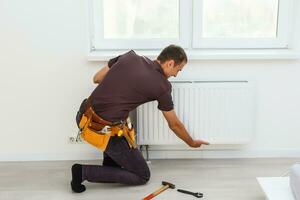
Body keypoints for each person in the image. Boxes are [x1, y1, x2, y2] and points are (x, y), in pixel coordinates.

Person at [71, 44, 209, 193]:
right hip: (101, 129)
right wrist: (192, 142)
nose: (176, 74)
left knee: (123, 120)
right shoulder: (162, 87)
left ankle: (110, 164)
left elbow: (96, 79)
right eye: (178, 70)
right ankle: (82, 172)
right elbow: (174, 124)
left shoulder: (130, 56)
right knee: (142, 175)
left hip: (84, 114)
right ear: (170, 63)